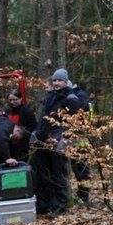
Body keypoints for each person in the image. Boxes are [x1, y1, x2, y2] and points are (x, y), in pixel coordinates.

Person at [30, 68, 83, 215]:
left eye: (59, 80)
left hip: (58, 143)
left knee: (58, 176)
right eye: (54, 80)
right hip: (43, 143)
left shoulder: (70, 98)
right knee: (42, 175)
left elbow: (73, 124)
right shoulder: (51, 98)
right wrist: (35, 134)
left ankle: (59, 207)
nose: (57, 83)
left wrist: (64, 141)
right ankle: (43, 205)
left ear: (65, 82)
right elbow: (43, 119)